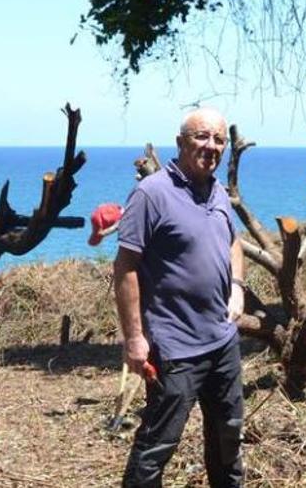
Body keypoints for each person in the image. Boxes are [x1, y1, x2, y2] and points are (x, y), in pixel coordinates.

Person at [113, 107, 246, 487]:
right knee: (157, 445)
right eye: (202, 137)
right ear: (180, 142)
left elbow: (234, 242)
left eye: (219, 139)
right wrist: (135, 338)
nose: (212, 146)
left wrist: (237, 288)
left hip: (222, 343)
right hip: (175, 347)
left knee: (228, 441)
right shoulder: (151, 194)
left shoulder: (217, 190)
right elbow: (125, 267)